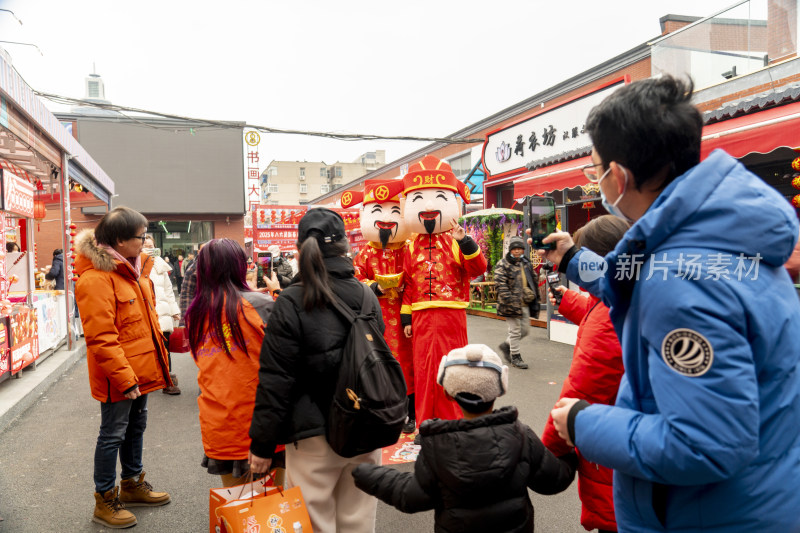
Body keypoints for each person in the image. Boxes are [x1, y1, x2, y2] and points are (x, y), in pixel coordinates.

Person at [543, 76, 800, 531]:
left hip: (710, 516)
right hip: (758, 498)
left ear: (617, 176)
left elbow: (706, 444)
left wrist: (584, 423)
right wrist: (575, 260)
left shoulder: (683, 281)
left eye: (595, 170)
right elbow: (648, 280)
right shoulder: (722, 235)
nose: (596, 181)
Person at [249, 208, 384, 533]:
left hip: (312, 436)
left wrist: (263, 444)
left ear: (299, 249)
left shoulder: (292, 300)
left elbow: (276, 380)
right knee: (359, 522)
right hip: (365, 428)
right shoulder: (366, 294)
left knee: (313, 525)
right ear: (343, 248)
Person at [352, 344, 576, 532]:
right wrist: (572, 450)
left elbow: (411, 496)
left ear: (448, 393)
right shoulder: (521, 434)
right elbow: (554, 480)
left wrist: (366, 472)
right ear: (500, 389)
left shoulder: (437, 446)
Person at [74, 206, 172, 529]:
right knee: (113, 434)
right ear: (118, 240)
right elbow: (101, 338)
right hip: (120, 377)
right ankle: (104, 499)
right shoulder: (96, 279)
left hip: (140, 372)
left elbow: (148, 324)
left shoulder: (133, 271)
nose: (145, 243)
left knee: (136, 427)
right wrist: (126, 378)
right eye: (140, 237)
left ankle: (131, 483)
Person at [541, 215, 628, 533]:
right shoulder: (625, 294)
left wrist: (549, 449)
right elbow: (602, 301)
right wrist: (570, 302)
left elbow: (582, 389)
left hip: (613, 451)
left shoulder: (606, 318)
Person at [399, 155, 488, 427]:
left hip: (452, 316)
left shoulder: (457, 241)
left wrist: (465, 241)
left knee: (453, 367)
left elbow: (478, 269)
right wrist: (406, 319)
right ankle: (425, 421)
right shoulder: (411, 246)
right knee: (424, 371)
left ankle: (453, 419)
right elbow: (409, 286)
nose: (428, 206)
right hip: (421, 318)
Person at [184, 239, 276, 487]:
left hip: (220, 422)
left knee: (237, 509)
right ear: (239, 266)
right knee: (270, 512)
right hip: (261, 422)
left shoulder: (196, 313)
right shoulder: (261, 305)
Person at [342, 178, 416, 433]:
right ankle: (381, 409)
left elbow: (417, 278)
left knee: (407, 363)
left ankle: (410, 413)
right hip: (376, 317)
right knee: (376, 362)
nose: (386, 220)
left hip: (405, 316)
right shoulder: (365, 253)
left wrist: (407, 286)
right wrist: (374, 287)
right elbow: (353, 278)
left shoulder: (409, 250)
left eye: (395, 212)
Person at [143, 236, 181, 395]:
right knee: (147, 349)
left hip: (163, 311)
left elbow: (168, 290)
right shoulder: (135, 264)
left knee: (165, 348)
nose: (148, 249)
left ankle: (168, 381)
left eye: (151, 246)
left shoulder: (160, 265)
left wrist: (174, 310)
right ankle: (148, 380)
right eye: (145, 245)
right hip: (146, 313)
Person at [494, 236, 538, 370]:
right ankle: (516, 357)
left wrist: (533, 293)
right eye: (515, 249)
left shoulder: (525, 262)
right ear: (510, 250)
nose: (517, 251)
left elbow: (532, 278)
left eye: (520, 249)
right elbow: (500, 283)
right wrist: (509, 298)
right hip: (509, 303)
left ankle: (506, 345)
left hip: (524, 302)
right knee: (515, 331)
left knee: (525, 331)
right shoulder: (503, 263)